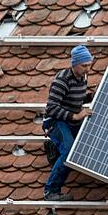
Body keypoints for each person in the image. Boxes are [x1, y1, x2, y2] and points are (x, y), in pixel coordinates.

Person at [42, 45, 94, 201]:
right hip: (55, 121)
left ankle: (57, 147)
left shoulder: (83, 78)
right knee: (69, 150)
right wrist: (76, 117)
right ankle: (51, 191)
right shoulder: (62, 80)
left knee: (92, 136)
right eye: (84, 65)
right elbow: (52, 108)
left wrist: (91, 96)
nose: (87, 69)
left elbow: (75, 98)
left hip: (69, 121)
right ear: (74, 64)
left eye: (89, 65)